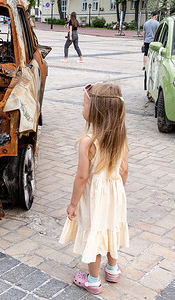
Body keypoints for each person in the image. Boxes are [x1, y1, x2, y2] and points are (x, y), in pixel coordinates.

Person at [59, 82, 129, 295]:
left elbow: (82, 177)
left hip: (95, 196)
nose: (82, 109)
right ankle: (113, 269)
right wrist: (117, 192)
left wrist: (73, 203)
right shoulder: (121, 137)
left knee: (95, 231)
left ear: (95, 113)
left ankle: (92, 280)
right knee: (111, 227)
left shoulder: (88, 142)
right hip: (115, 192)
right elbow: (124, 170)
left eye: (84, 106)